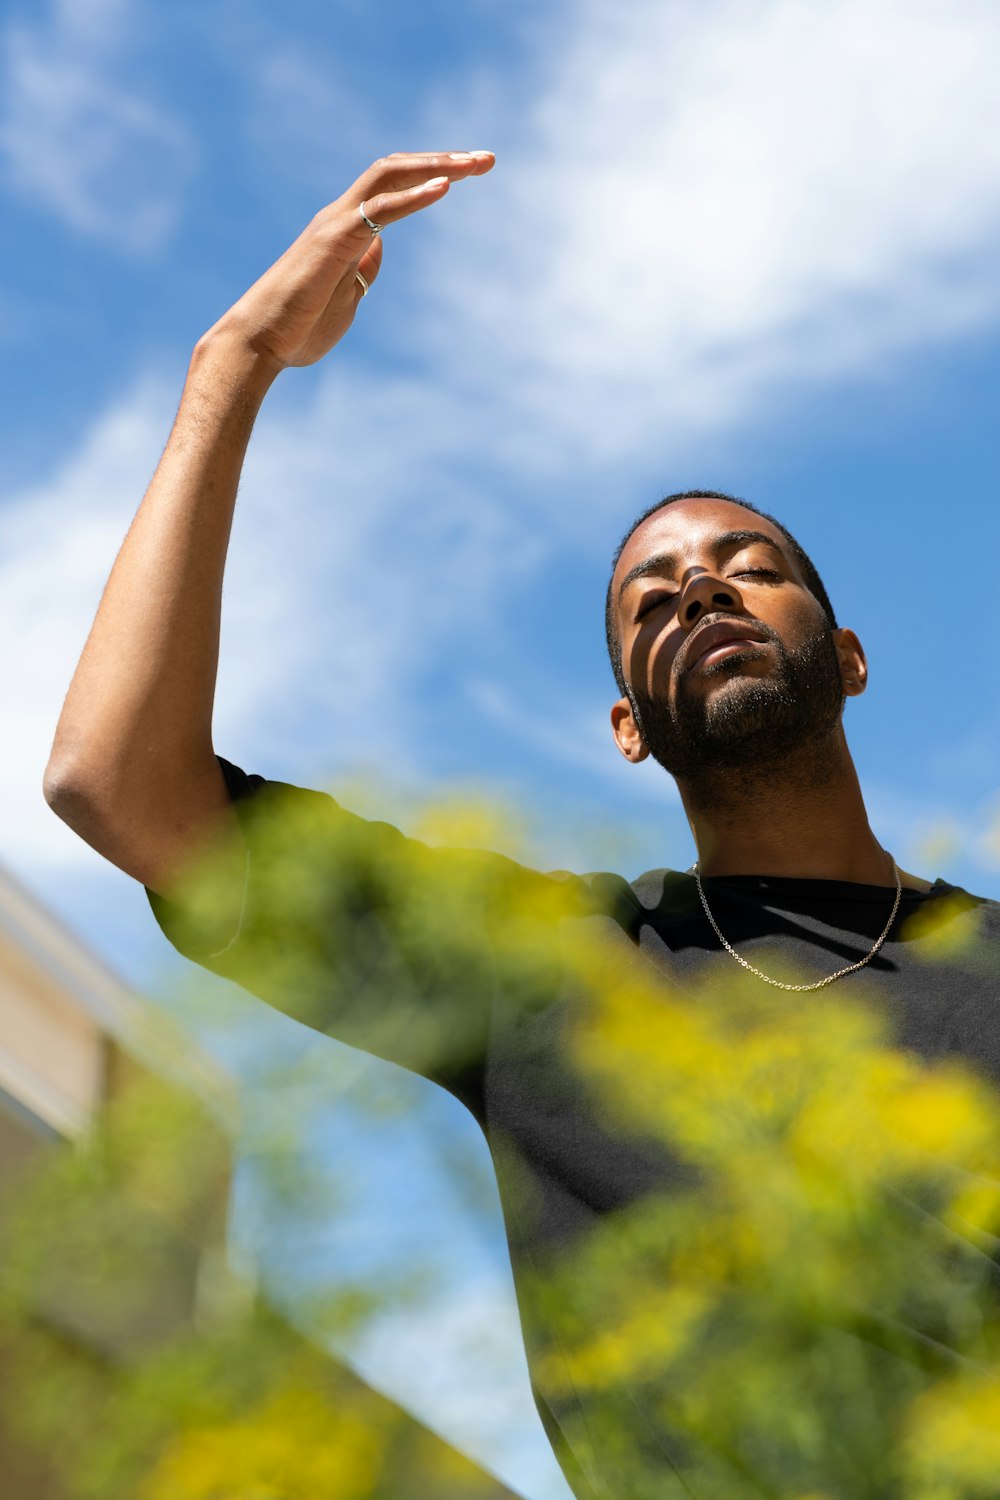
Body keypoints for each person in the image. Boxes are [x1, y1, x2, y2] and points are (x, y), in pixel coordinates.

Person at [45, 153, 1000, 1499]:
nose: (703, 593)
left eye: (749, 569)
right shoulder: (554, 977)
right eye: (653, 600)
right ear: (628, 728)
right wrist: (235, 360)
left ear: (845, 655)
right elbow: (116, 785)